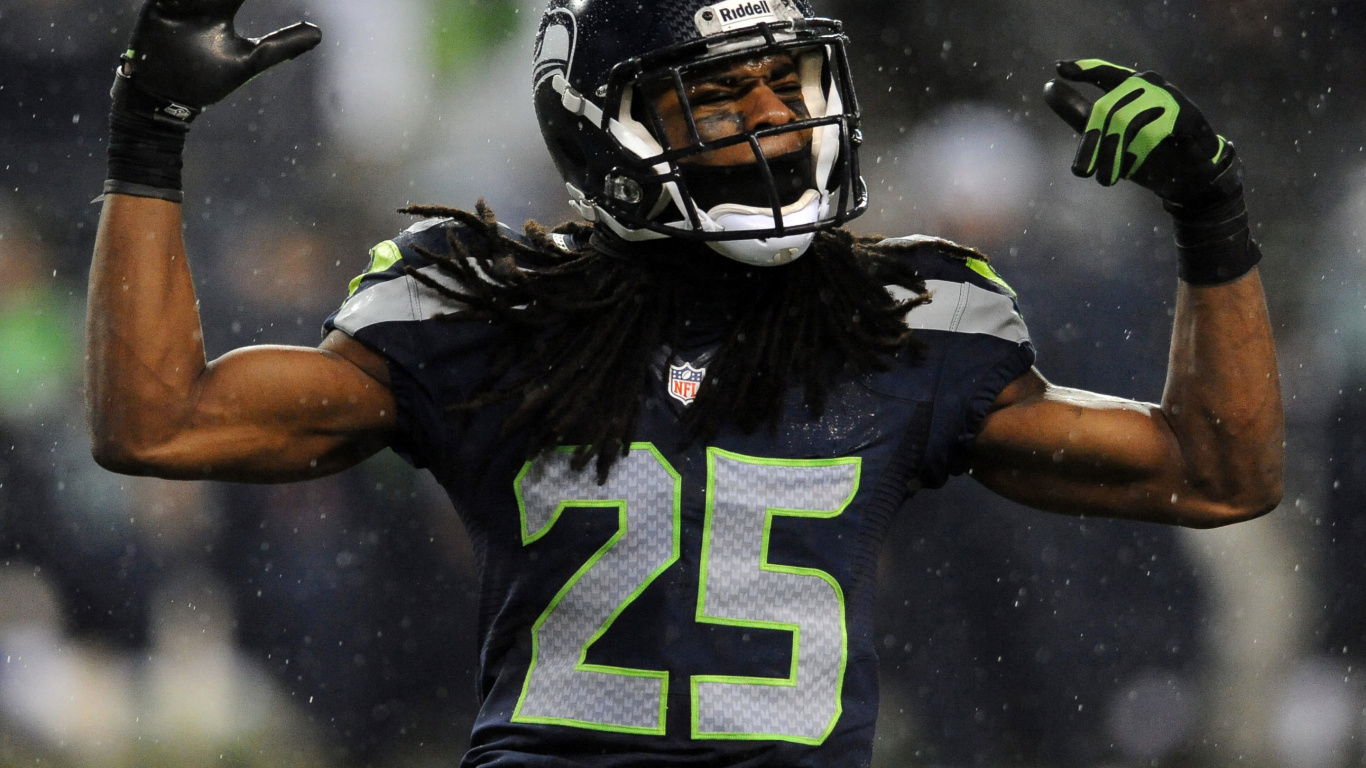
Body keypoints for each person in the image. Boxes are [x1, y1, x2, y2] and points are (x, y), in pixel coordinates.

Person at [87, 0, 1283, 765]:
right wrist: (149, 135)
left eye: (787, 86)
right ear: (601, 130)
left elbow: (1218, 473)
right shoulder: (482, 317)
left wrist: (1211, 216)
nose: (777, 124)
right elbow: (160, 424)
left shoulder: (904, 324)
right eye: (720, 96)